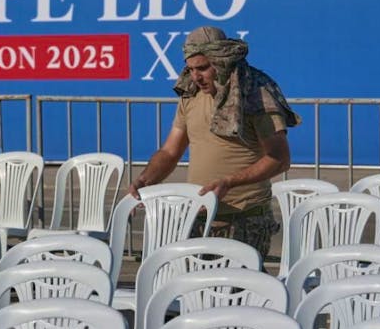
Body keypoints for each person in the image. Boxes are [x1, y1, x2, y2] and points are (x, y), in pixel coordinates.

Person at [128, 26, 300, 259]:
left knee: (236, 295)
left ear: (222, 61)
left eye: (202, 68)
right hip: (198, 219)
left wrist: (229, 182)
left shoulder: (255, 91)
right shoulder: (190, 94)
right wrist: (145, 180)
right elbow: (170, 152)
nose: (196, 77)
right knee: (196, 294)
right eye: (190, 69)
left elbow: (279, 159)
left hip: (245, 221)